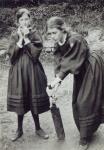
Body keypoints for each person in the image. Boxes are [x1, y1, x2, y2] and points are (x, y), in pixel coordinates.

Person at [46, 16, 104, 150]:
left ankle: (84, 139)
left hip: (91, 67)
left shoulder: (75, 39)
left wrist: (59, 79)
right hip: (79, 71)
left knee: (84, 102)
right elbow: (60, 63)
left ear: (62, 29)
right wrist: (55, 85)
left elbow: (71, 61)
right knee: (77, 101)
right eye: (49, 33)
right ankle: (88, 129)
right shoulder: (58, 44)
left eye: (54, 32)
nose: (52, 36)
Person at [7, 8, 50, 141]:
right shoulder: (14, 36)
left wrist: (26, 39)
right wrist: (20, 39)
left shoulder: (35, 34)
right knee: (21, 97)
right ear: (17, 21)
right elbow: (12, 57)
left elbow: (36, 54)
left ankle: (38, 128)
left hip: (33, 71)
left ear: (30, 20)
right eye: (22, 19)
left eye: (27, 19)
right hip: (19, 72)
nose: (25, 22)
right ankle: (19, 130)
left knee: (33, 97)